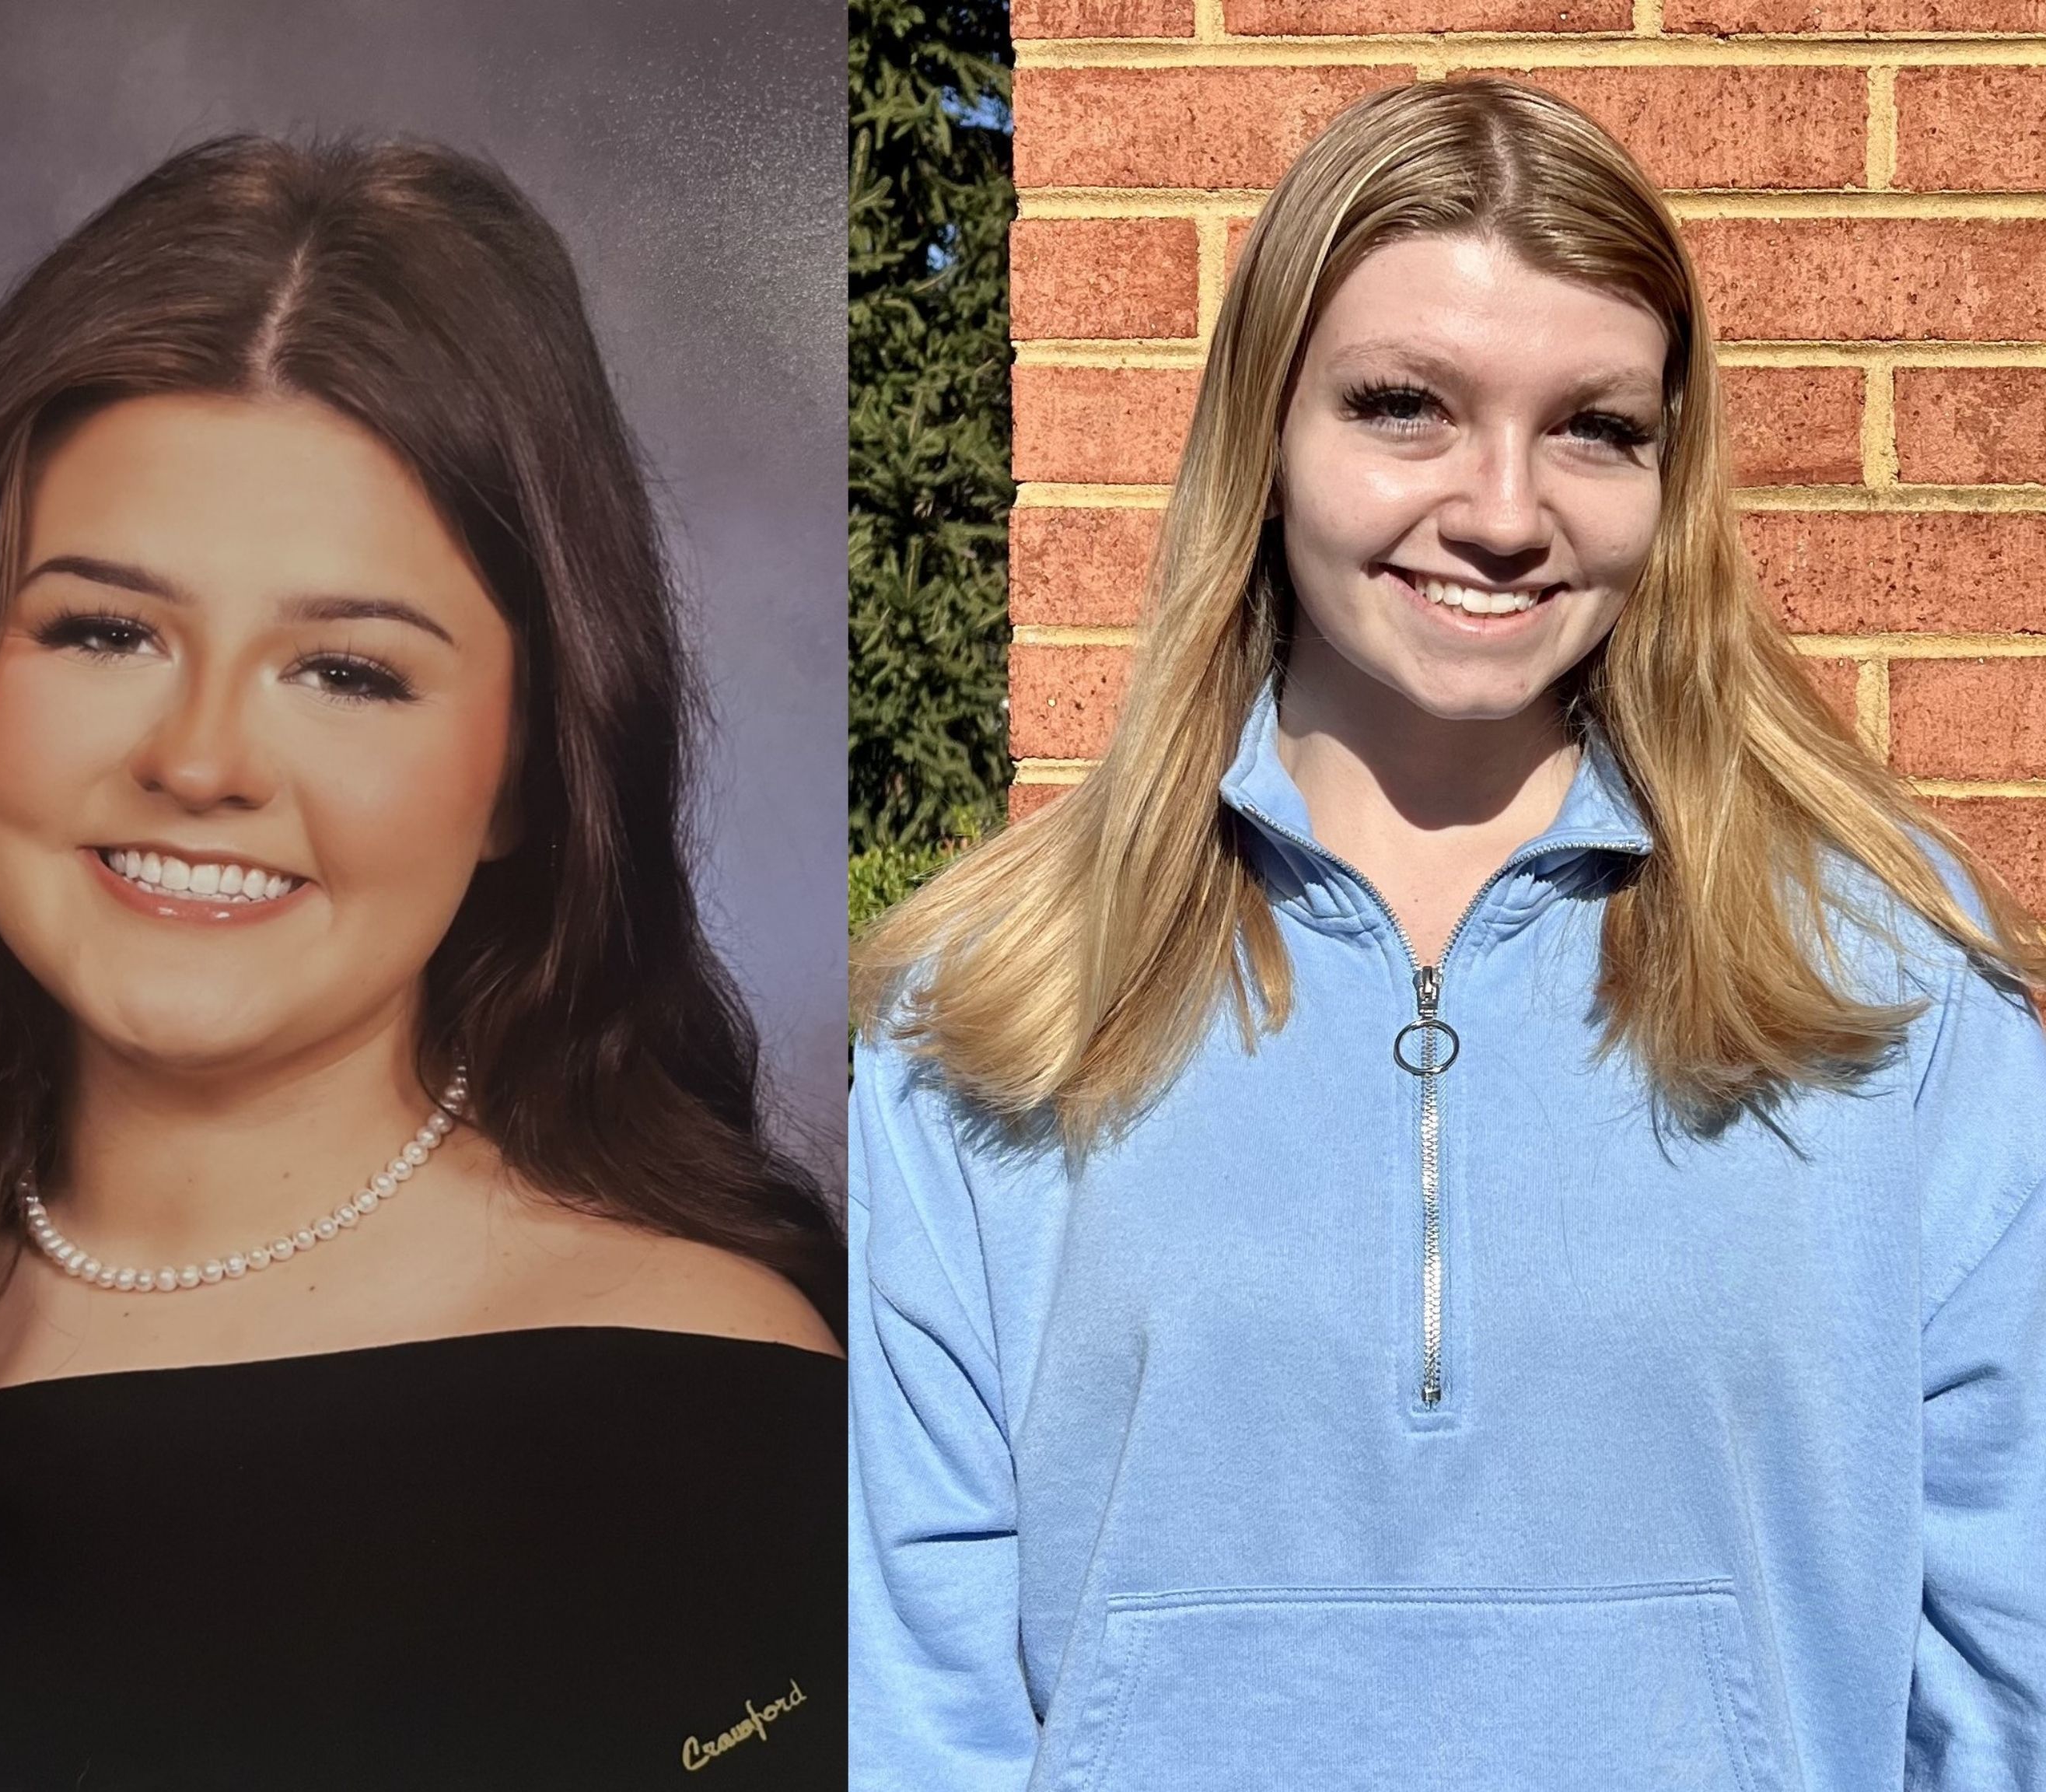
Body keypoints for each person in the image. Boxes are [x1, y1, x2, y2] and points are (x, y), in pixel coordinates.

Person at [848, 77, 2046, 1791]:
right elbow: (913, 1698)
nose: (1501, 508)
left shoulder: (1892, 988)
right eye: (1404, 407)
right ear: (1265, 438)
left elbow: (2011, 1662)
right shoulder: (992, 1016)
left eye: (1595, 428)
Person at [0, 135, 847, 1790]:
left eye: (349, 671)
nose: (203, 758)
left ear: (521, 774)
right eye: (103, 631)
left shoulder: (710, 1426)